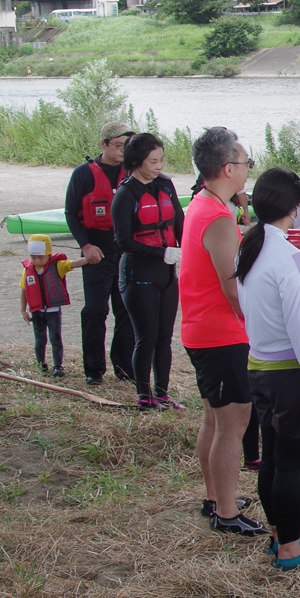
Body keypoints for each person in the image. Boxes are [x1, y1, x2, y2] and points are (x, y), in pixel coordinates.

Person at [236, 167, 300, 570]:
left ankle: (280, 534)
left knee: (273, 456)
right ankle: (290, 550)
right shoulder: (289, 257)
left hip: (258, 367)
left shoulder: (251, 247)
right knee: (290, 462)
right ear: (292, 208)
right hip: (286, 373)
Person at [182, 127, 265, 537]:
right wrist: (254, 325)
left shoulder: (205, 203)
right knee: (233, 421)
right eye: (247, 163)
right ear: (229, 168)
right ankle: (226, 512)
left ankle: (217, 497)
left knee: (215, 420)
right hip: (219, 333)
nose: (248, 170)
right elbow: (232, 285)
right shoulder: (216, 215)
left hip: (205, 329)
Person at [112, 133, 185, 412]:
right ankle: (144, 396)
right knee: (146, 337)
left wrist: (186, 249)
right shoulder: (125, 194)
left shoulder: (165, 186)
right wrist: (160, 252)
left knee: (164, 338)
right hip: (138, 274)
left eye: (161, 160)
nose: (158, 166)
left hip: (167, 274)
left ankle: (162, 393)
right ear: (136, 161)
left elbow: (179, 221)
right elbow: (123, 241)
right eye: (152, 161)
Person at [65, 120, 136, 385]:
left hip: (124, 251)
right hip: (97, 251)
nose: (122, 151)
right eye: (118, 145)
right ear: (103, 145)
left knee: (126, 311)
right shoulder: (83, 173)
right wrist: (85, 246)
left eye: (126, 146)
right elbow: (71, 212)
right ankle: (93, 370)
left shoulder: (132, 172)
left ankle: (124, 367)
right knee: (95, 311)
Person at [18, 234, 93, 377]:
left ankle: (58, 366)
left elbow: (74, 263)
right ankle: (41, 365)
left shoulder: (57, 265)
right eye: (34, 257)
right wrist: (23, 310)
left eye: (41, 257)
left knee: (55, 338)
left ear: (48, 255)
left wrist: (89, 257)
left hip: (53, 311)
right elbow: (24, 289)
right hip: (37, 312)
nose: (37, 260)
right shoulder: (28, 270)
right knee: (40, 340)